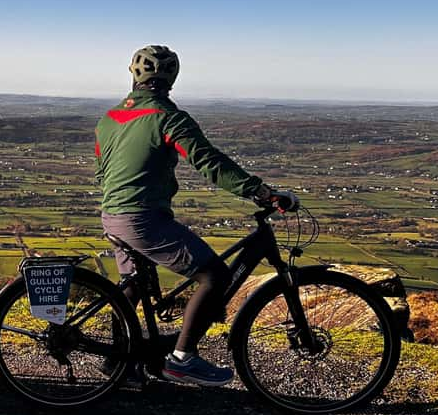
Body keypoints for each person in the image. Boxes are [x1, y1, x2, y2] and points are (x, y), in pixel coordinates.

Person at [94, 45, 296, 386]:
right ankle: (182, 358)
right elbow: (209, 163)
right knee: (215, 275)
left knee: (131, 288)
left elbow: (103, 171)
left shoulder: (108, 120)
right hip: (143, 219)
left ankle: (120, 365)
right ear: (172, 77)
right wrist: (261, 192)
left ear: (133, 74)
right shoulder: (169, 119)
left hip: (112, 214)